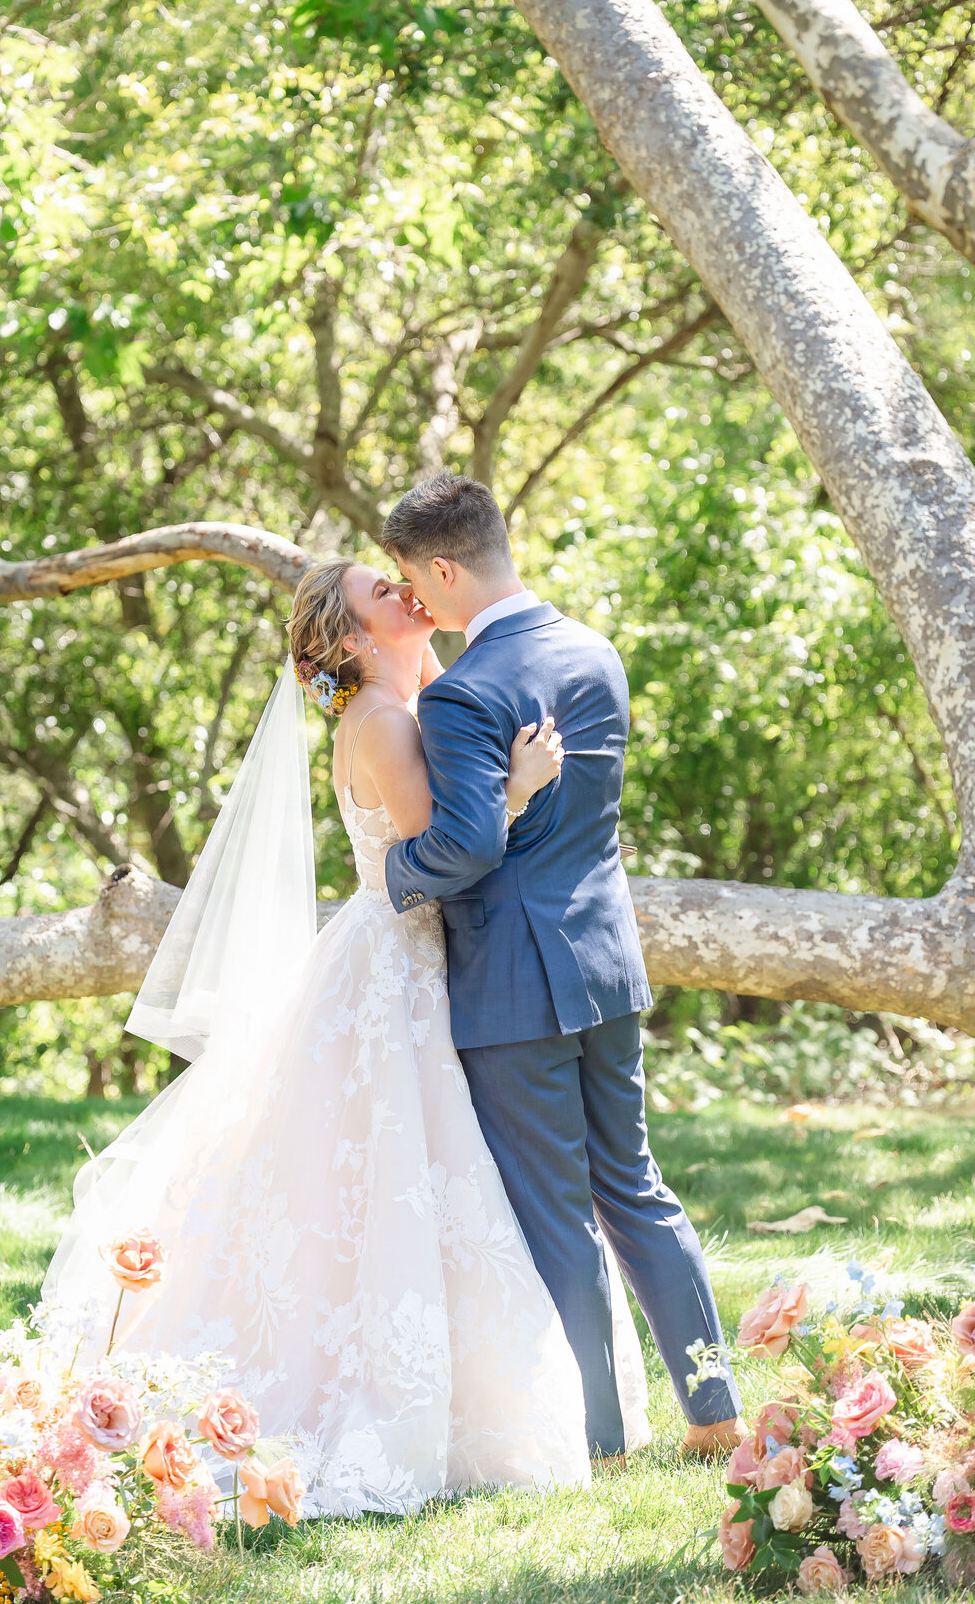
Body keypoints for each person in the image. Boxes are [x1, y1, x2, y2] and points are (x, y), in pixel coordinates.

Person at [42, 560, 649, 1516]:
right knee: (391, 1172)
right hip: (398, 966)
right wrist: (524, 788)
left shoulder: (401, 703)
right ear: (355, 639)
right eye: (381, 591)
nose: (406, 593)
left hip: (408, 957)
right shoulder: (380, 722)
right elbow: (439, 850)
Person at [381, 472, 744, 1460]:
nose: (413, 599)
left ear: (446, 567)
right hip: (604, 960)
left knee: (556, 1215)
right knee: (637, 1190)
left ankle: (602, 1438)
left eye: (415, 579)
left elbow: (463, 848)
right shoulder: (597, 652)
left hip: (511, 983)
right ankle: (716, 1414)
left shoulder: (462, 697)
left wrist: (390, 868)